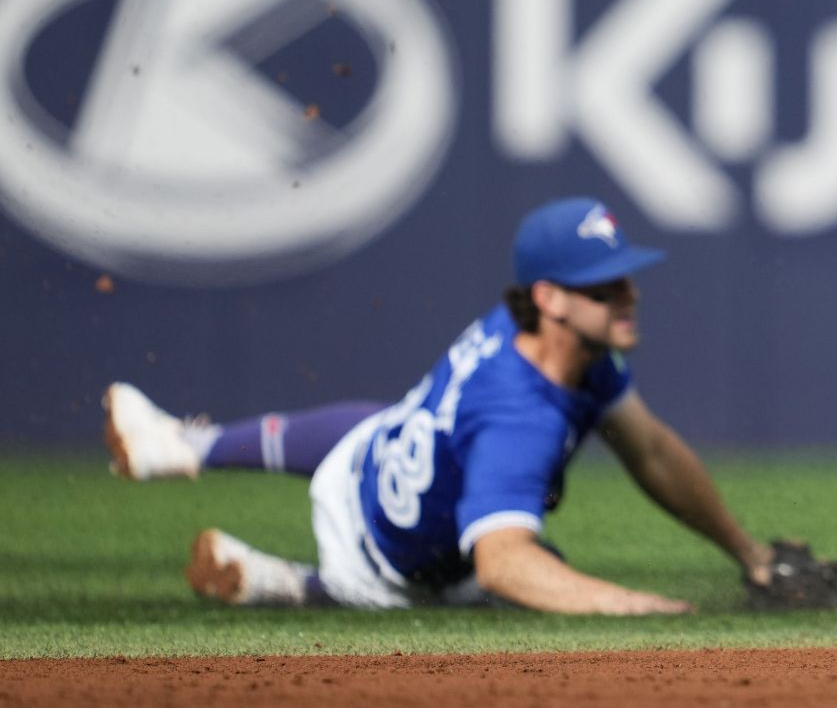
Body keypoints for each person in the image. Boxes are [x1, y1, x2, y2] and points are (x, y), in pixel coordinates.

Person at [105, 196, 775, 614]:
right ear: (549, 297)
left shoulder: (535, 337)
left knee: (381, 424)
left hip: (373, 464)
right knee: (548, 584)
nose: (625, 295)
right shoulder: (522, 415)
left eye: (623, 278)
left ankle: (187, 450)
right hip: (396, 569)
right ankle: (303, 586)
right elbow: (503, 563)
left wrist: (750, 553)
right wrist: (636, 605)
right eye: (600, 288)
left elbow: (651, 449)